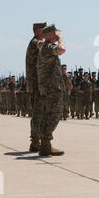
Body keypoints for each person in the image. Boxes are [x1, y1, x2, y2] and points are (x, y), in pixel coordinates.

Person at [37, 24, 66, 156]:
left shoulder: (45, 46)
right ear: (49, 35)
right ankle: (46, 144)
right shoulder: (48, 47)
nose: (56, 34)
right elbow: (61, 50)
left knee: (49, 114)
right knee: (54, 114)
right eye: (54, 33)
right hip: (52, 88)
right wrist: (60, 38)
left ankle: (45, 144)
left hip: (49, 87)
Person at [25, 22, 46, 152]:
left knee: (40, 113)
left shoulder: (35, 41)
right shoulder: (35, 42)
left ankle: (36, 140)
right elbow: (42, 46)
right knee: (38, 113)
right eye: (44, 30)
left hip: (38, 84)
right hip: (37, 84)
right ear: (37, 31)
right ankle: (35, 141)